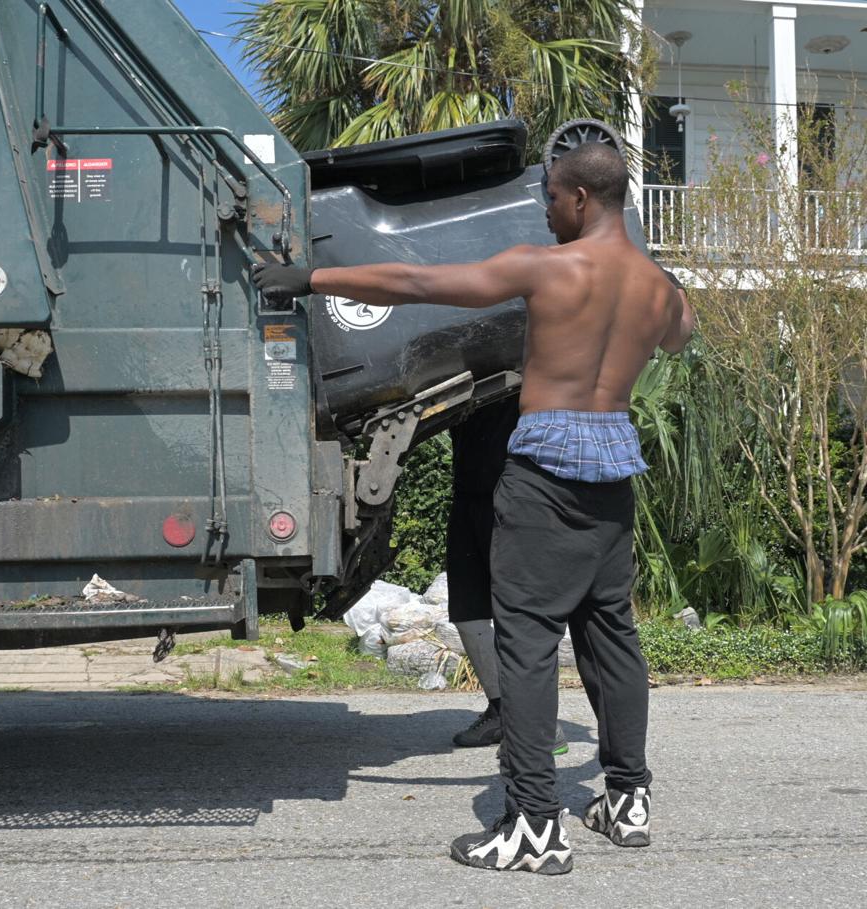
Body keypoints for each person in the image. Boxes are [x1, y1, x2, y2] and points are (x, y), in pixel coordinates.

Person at [253, 141, 693, 876]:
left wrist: (312, 278)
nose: (545, 209)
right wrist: (669, 283)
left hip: (545, 478)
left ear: (581, 199)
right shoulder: (658, 290)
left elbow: (416, 280)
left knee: (527, 646)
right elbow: (681, 334)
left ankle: (535, 825)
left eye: (550, 197)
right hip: (613, 477)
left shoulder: (547, 269)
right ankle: (627, 797)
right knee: (612, 636)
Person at [447, 397, 569, 758]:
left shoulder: (523, 367)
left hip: (512, 493)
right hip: (467, 490)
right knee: (467, 611)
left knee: (517, 614)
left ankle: (542, 726)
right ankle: (501, 710)